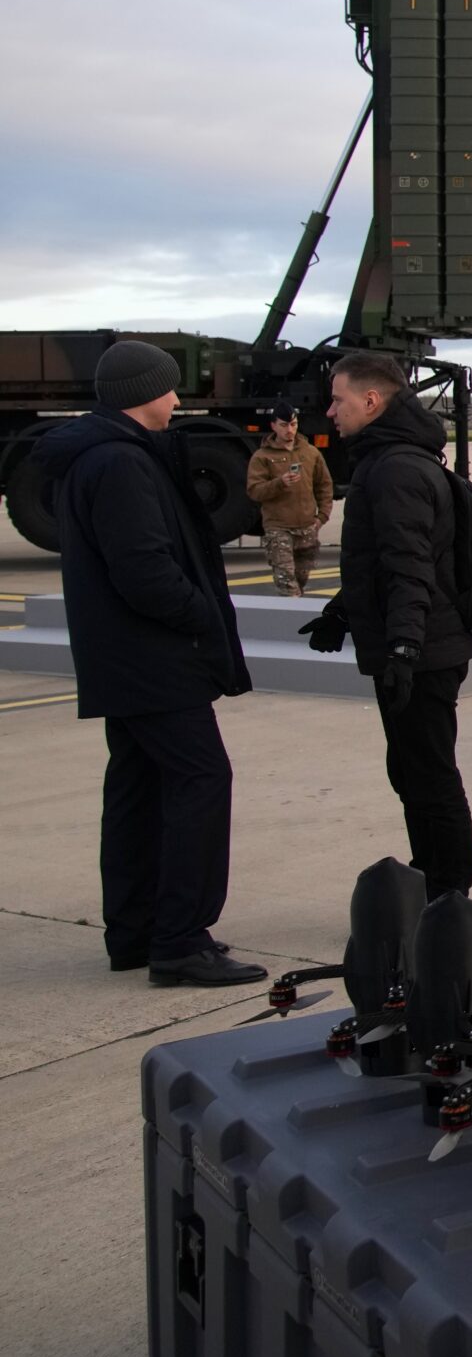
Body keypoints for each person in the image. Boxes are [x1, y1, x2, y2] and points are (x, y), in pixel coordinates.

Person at [33, 340, 262, 985]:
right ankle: (181, 941)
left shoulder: (100, 457)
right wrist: (202, 615)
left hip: (123, 660)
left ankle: (134, 933)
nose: (177, 398)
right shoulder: (120, 464)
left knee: (137, 789)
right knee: (201, 780)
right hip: (153, 660)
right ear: (144, 394)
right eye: (168, 388)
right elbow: (145, 573)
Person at [300, 351, 472, 899]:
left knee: (429, 776)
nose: (331, 411)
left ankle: (449, 897)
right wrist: (342, 611)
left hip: (424, 650)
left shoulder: (397, 468)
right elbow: (378, 561)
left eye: (339, 399)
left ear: (372, 400)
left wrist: (403, 649)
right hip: (417, 643)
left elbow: (410, 567)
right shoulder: (387, 460)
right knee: (411, 772)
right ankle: (430, 875)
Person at [244, 404, 332, 596]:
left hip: (308, 527)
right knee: (287, 586)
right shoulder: (262, 457)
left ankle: (296, 617)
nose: (289, 430)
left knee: (301, 581)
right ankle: (290, 620)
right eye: (284, 425)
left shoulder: (311, 453)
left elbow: (324, 486)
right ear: (273, 426)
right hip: (278, 528)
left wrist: (321, 517)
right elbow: (254, 491)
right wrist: (279, 483)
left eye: (293, 424)